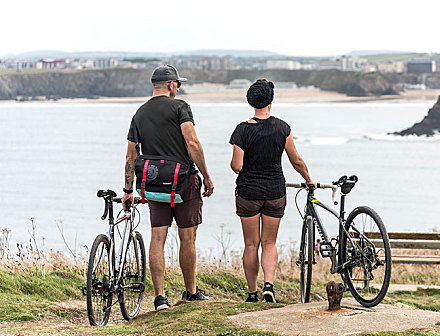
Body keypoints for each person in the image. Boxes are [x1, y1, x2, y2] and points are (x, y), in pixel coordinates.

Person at [122, 65, 214, 311]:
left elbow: (131, 155)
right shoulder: (180, 107)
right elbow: (192, 141)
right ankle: (191, 292)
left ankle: (160, 297)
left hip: (153, 184)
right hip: (183, 183)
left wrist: (128, 189)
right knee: (187, 237)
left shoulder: (139, 114)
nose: (178, 89)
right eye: (178, 85)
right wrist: (206, 175)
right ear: (172, 85)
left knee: (158, 237)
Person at [229, 79, 316, 303]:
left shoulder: (242, 129)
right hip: (275, 192)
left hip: (248, 193)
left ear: (251, 101)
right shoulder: (282, 127)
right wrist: (308, 179)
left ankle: (251, 293)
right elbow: (295, 160)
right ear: (271, 100)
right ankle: (269, 285)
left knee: (251, 244)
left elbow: (237, 166)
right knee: (269, 243)